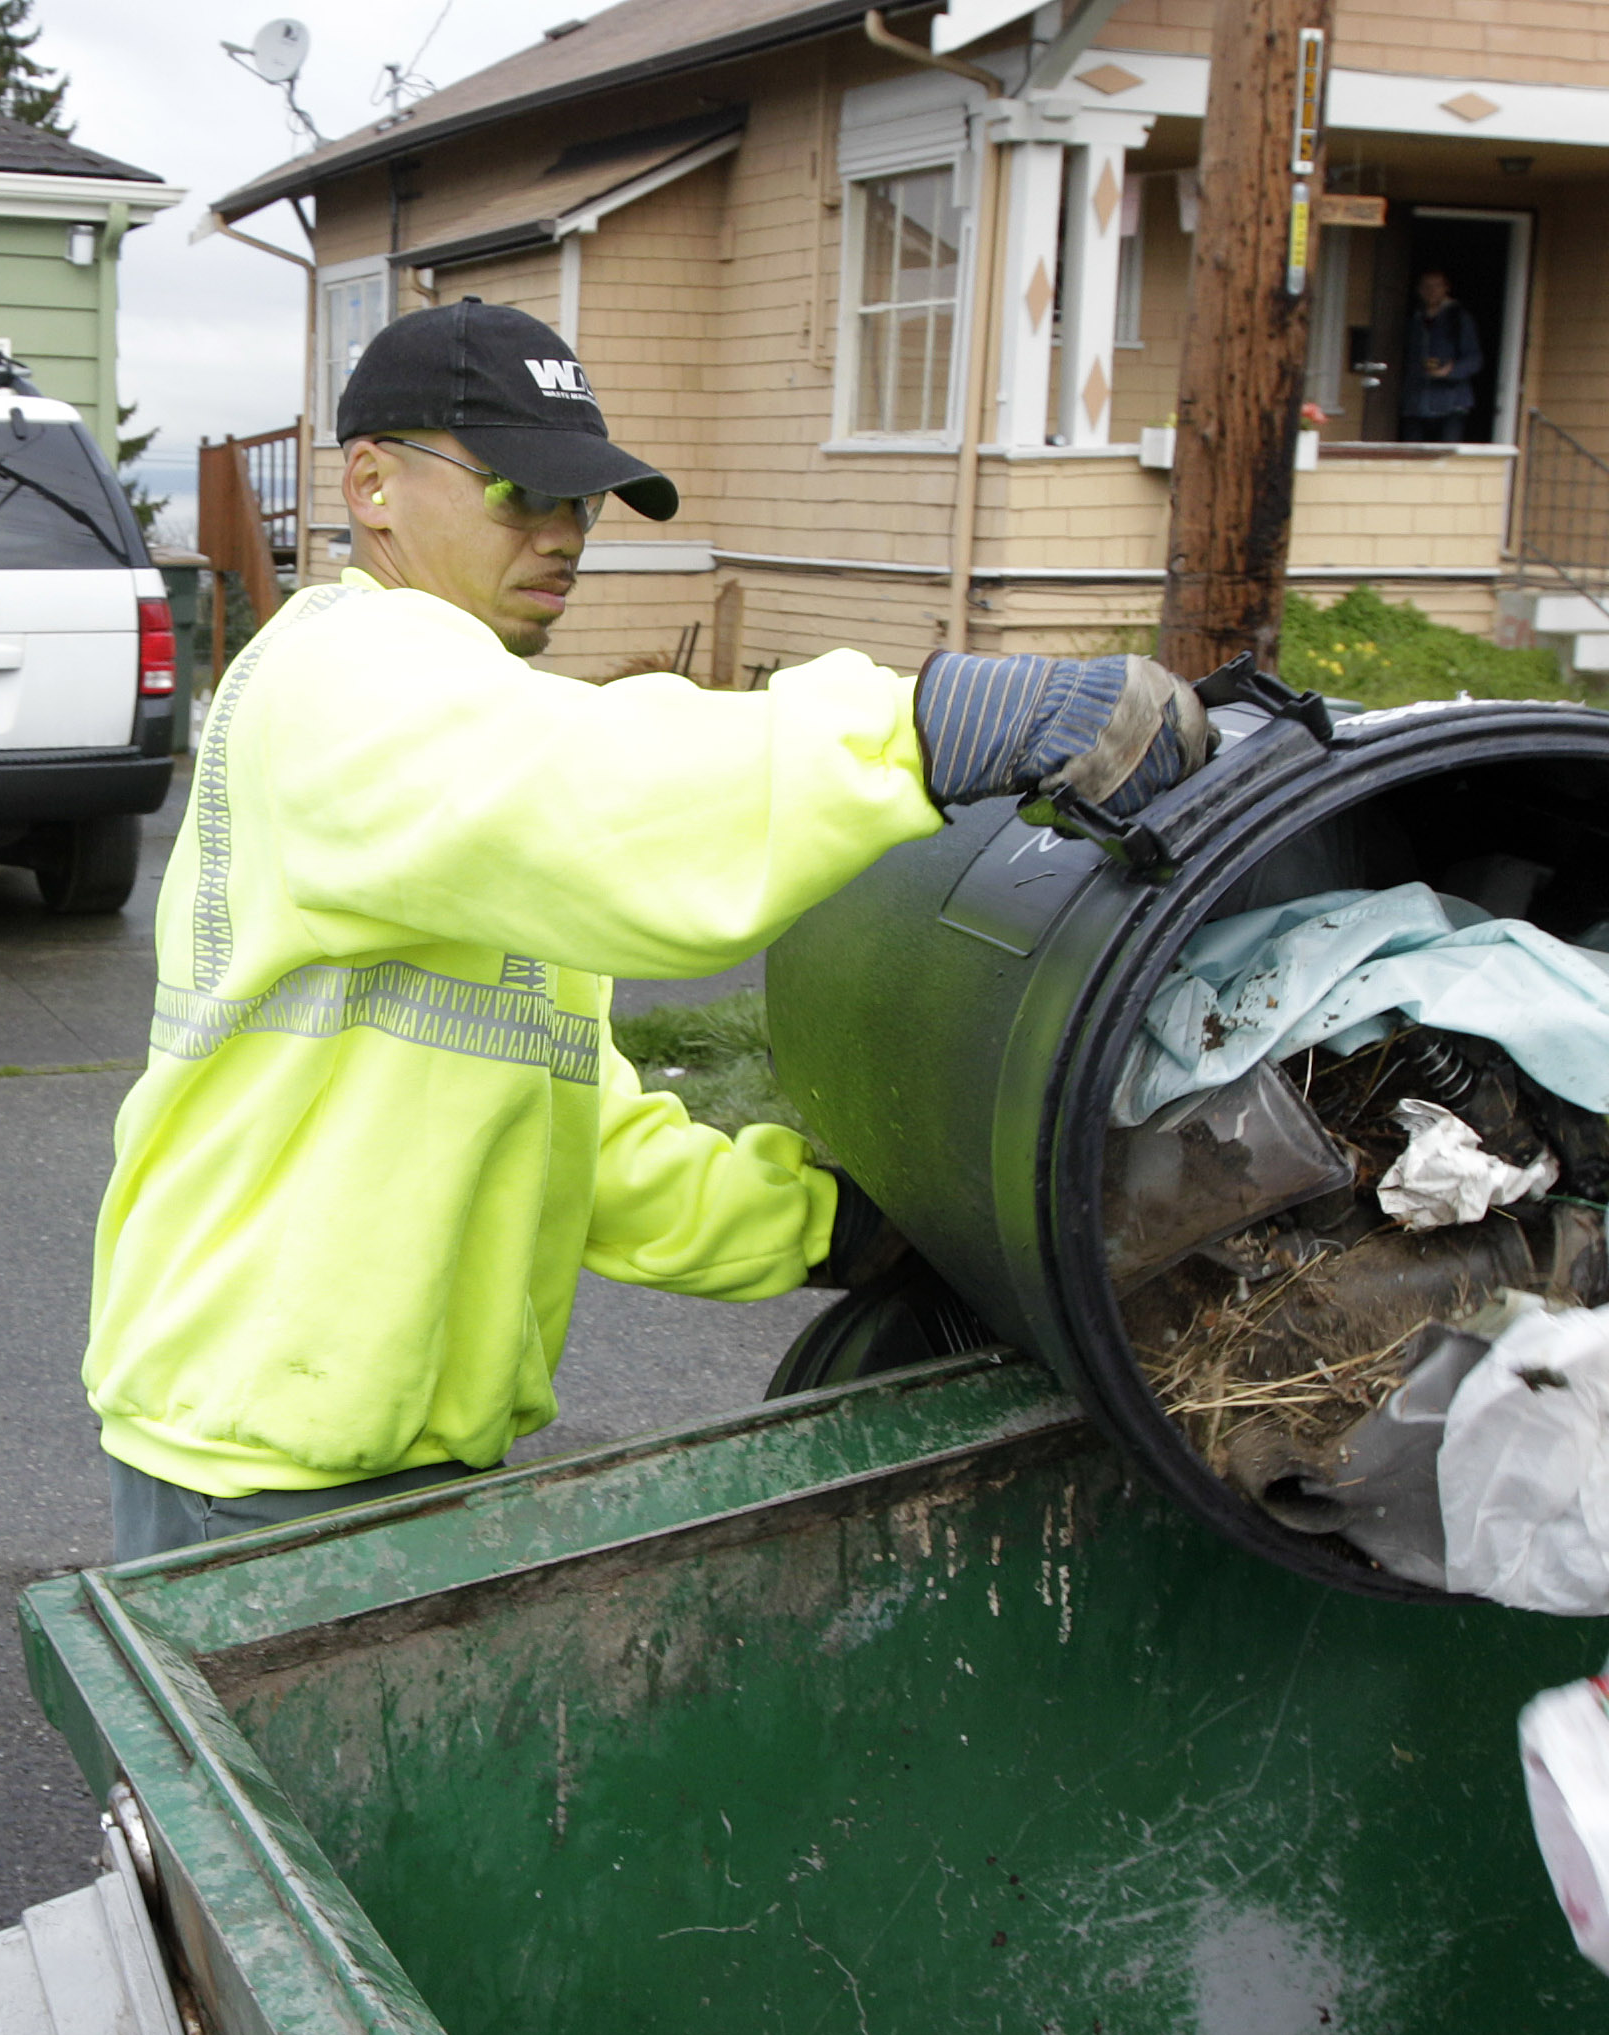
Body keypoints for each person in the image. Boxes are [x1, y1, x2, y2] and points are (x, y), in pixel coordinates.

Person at [88, 299, 1207, 1562]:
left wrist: (835, 1229)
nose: (564, 534)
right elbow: (604, 797)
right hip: (258, 1459)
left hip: (373, 1448)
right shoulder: (341, 681)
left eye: (586, 504)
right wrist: (929, 726)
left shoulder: (459, 743)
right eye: (522, 491)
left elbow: (575, 1136)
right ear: (371, 483)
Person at [1399, 269, 1485, 445]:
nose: (1431, 291)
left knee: (1447, 458)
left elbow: (1475, 359)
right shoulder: (1414, 318)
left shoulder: (1459, 318)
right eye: (1426, 287)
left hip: (1451, 403)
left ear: (1446, 288)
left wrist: (1450, 371)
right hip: (1415, 402)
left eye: (1437, 286)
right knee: (1412, 457)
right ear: (1419, 290)